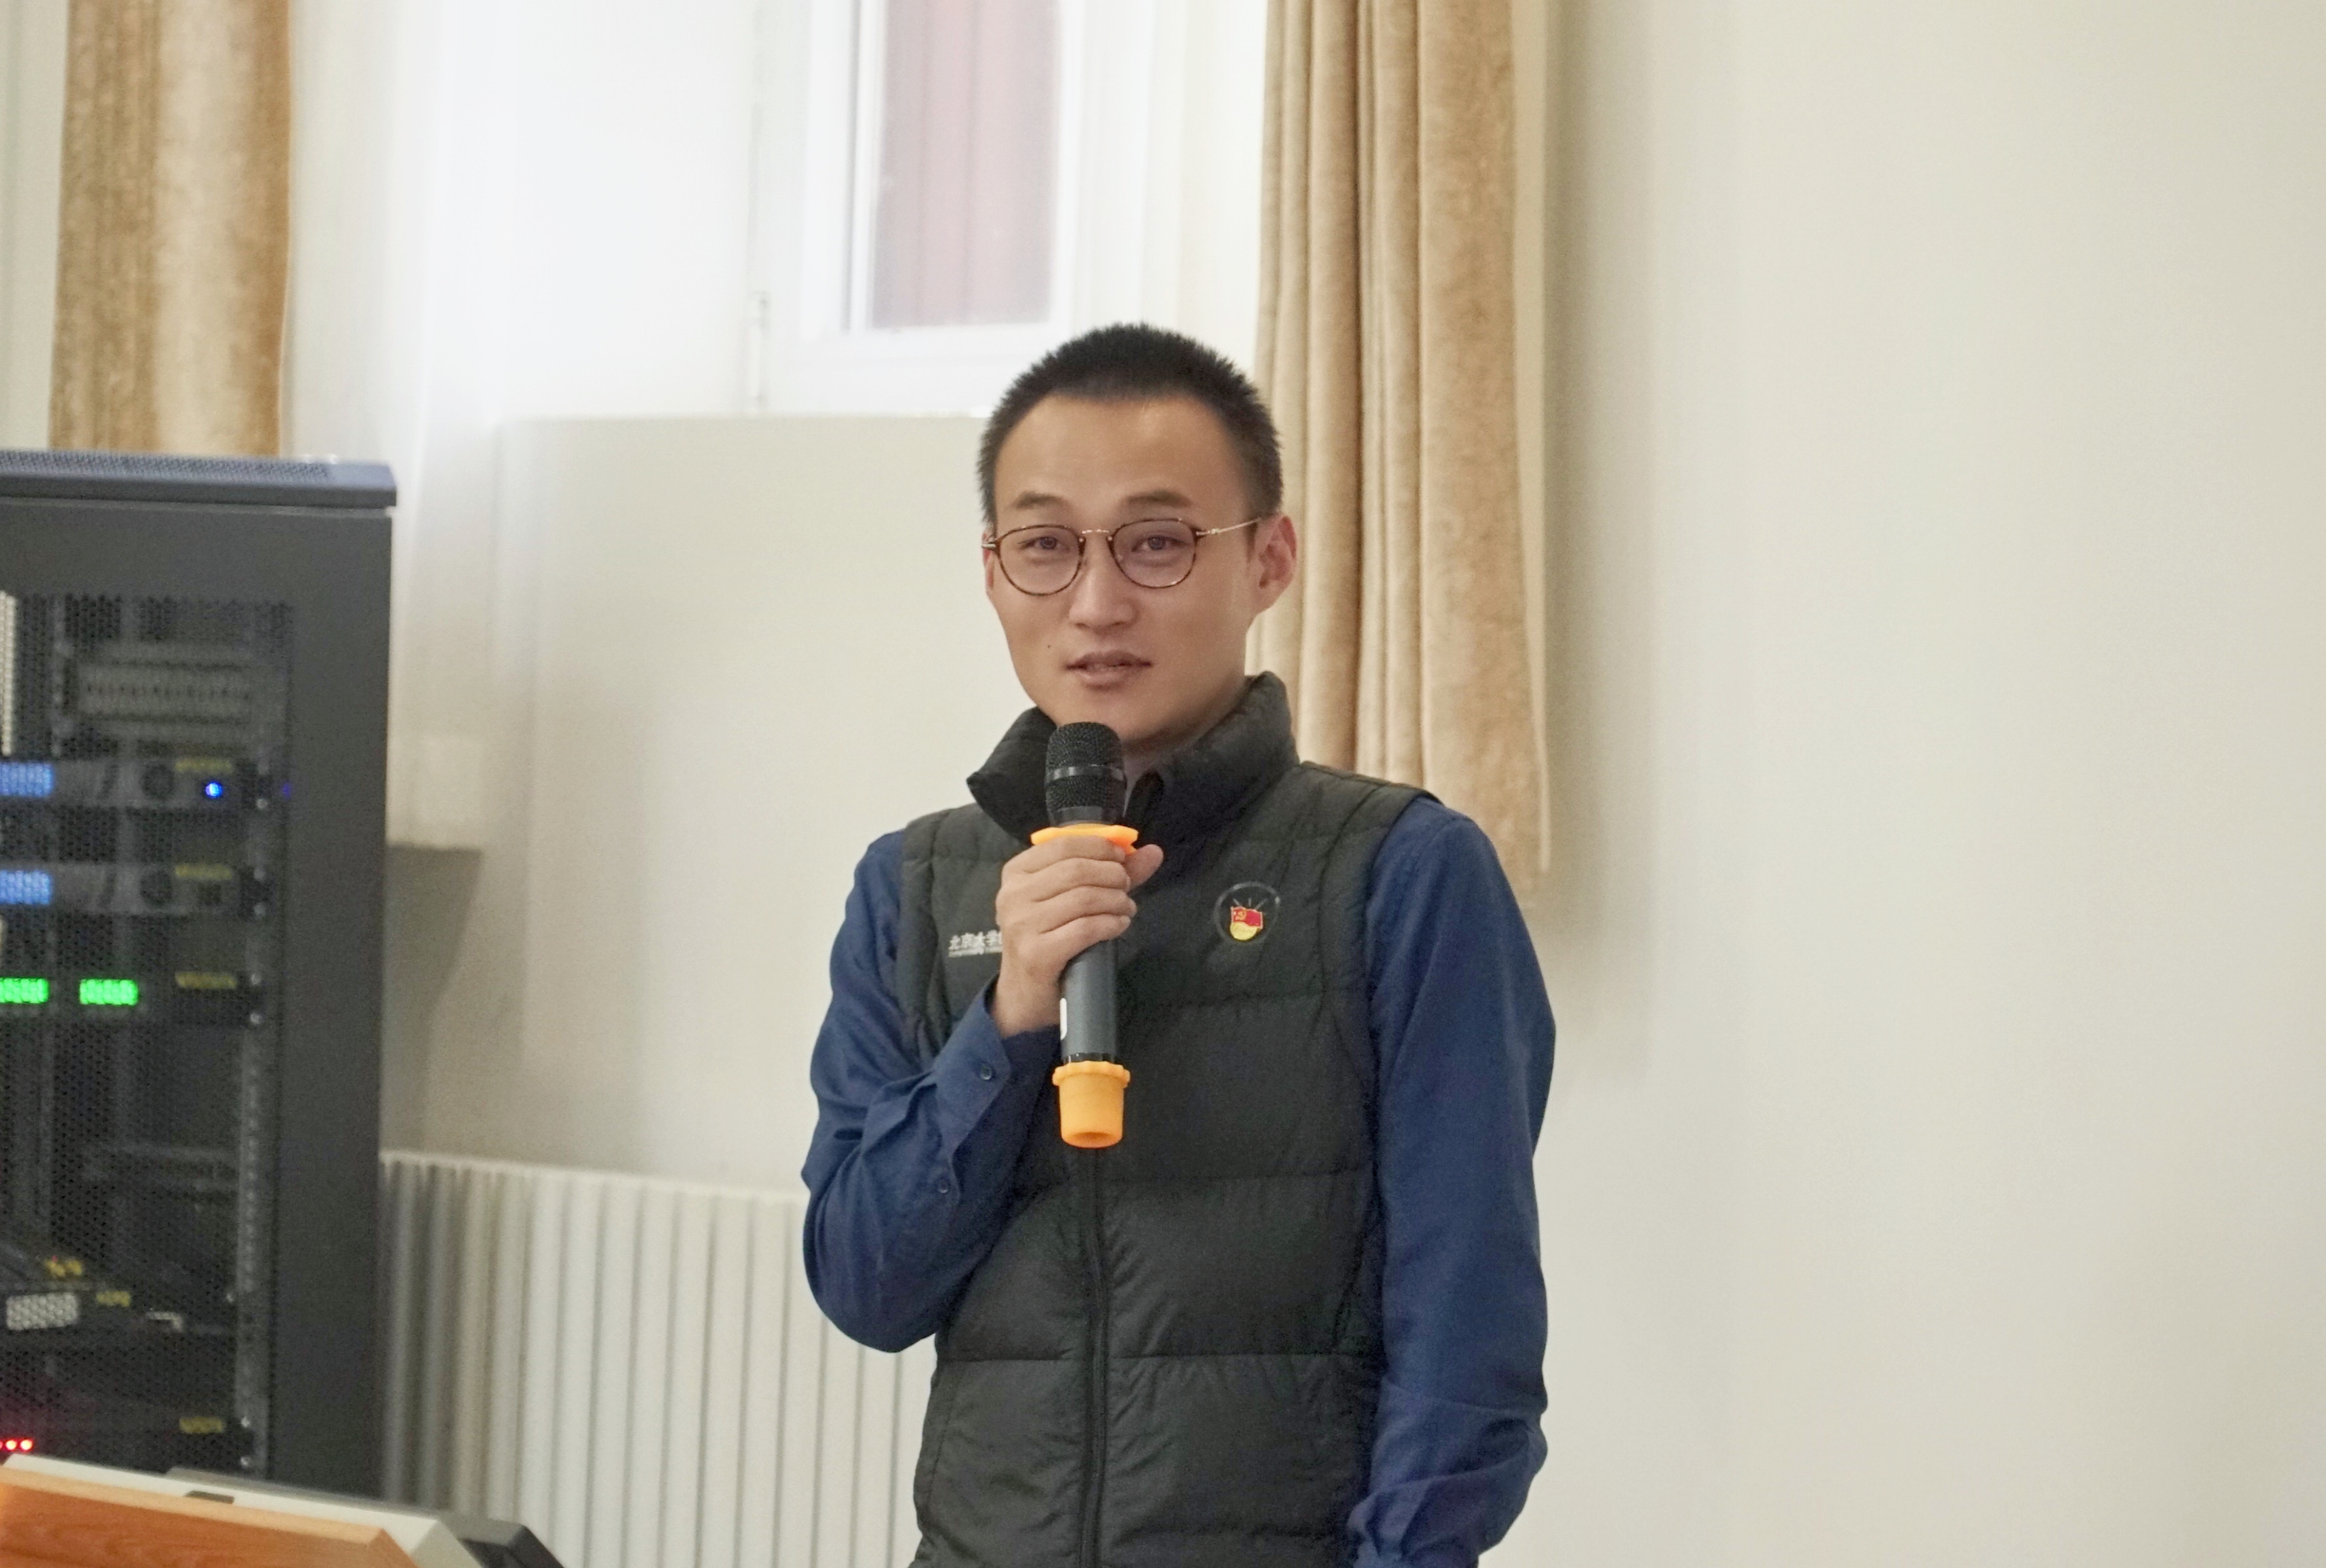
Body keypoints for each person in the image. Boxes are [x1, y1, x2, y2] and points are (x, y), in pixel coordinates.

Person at [803, 323, 1553, 1568]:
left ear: (1269, 560)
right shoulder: (914, 886)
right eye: (1046, 545)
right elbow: (866, 1288)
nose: (1096, 603)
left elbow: (1467, 1330)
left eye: (1155, 543)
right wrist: (1009, 1020)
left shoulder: (1401, 871)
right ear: (993, 572)